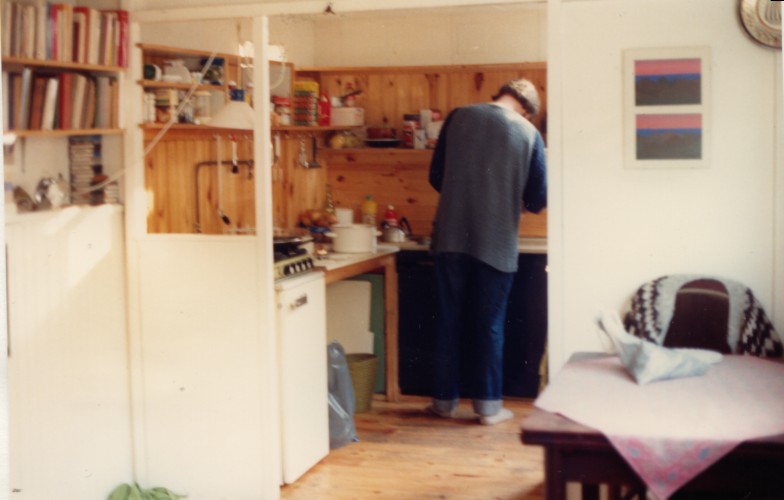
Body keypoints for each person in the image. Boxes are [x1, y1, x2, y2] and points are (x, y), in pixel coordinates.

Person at [427, 78, 547, 425]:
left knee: (448, 321)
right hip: (496, 243)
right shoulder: (528, 133)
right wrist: (508, 200)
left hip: (450, 237)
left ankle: (444, 403)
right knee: (490, 326)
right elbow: (538, 199)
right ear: (526, 109)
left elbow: (437, 176)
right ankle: (489, 408)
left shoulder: (458, 116)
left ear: (501, 95)